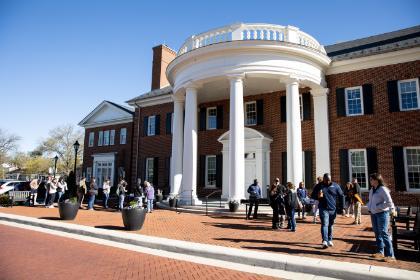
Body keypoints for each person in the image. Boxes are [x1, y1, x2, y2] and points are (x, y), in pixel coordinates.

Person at [367, 173, 397, 262]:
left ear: (376, 180)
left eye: (371, 179)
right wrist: (369, 207)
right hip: (373, 214)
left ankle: (391, 256)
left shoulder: (383, 189)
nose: (370, 181)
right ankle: (380, 252)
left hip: (382, 214)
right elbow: (371, 201)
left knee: (384, 233)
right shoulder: (372, 189)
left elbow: (389, 203)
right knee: (377, 233)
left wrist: (378, 206)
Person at [312, 173, 344, 248]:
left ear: (331, 179)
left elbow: (341, 196)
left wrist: (342, 208)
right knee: (324, 224)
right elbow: (313, 195)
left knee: (330, 224)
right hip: (323, 208)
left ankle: (330, 239)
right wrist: (318, 195)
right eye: (326, 180)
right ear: (323, 179)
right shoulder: (319, 186)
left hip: (333, 209)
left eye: (329, 180)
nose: (327, 182)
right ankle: (325, 241)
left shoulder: (336, 186)